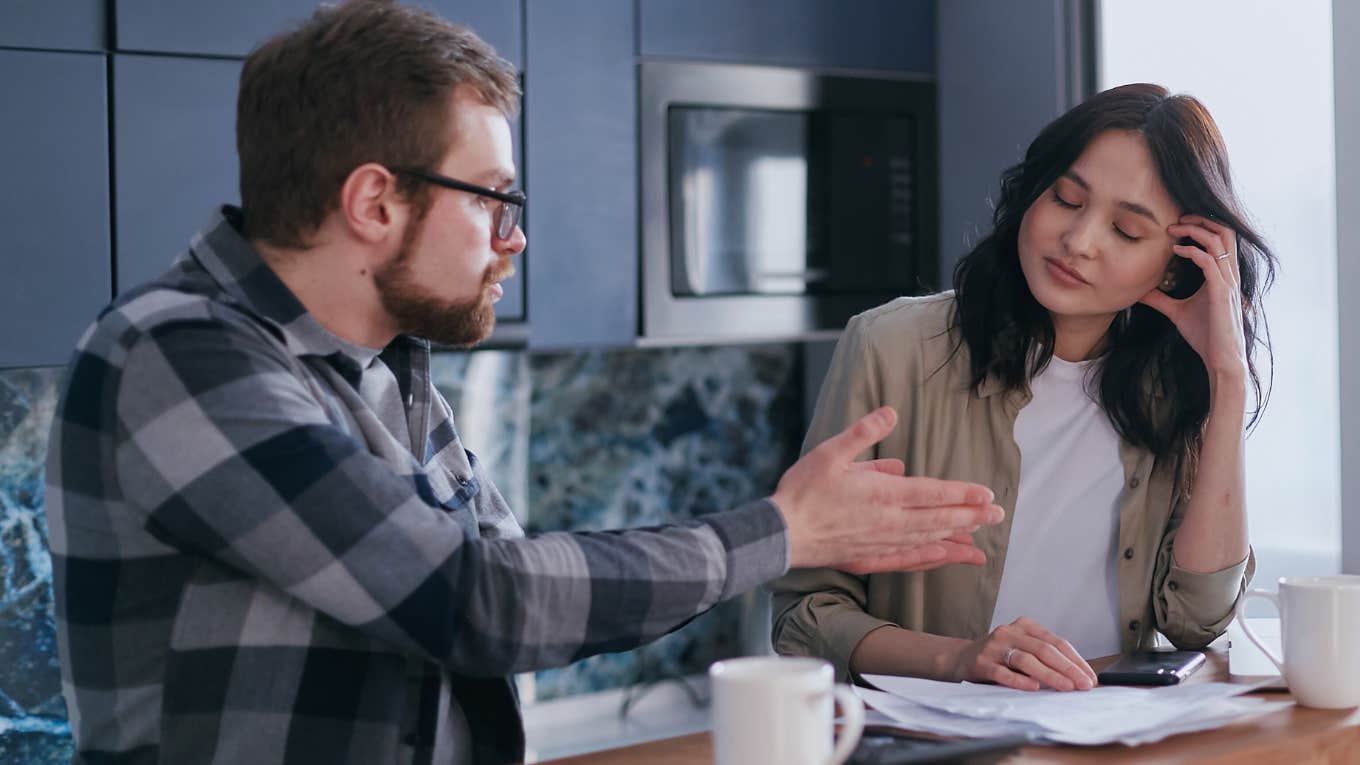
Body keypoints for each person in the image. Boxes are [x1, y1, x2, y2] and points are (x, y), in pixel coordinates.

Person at [44, 2, 1005, 763]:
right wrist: (783, 531)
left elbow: (522, 595)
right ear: (376, 200)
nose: (517, 238)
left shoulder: (390, 368)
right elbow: (472, 599)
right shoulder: (174, 356)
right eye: (496, 198)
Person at [770, 83, 1275, 694]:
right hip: (933, 746)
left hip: (1106, 738)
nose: (1079, 241)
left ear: (1173, 265)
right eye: (1066, 199)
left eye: (1125, 231)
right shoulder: (892, 348)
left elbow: (1198, 620)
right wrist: (960, 659)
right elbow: (804, 617)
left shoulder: (1172, 387)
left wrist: (1228, 379)